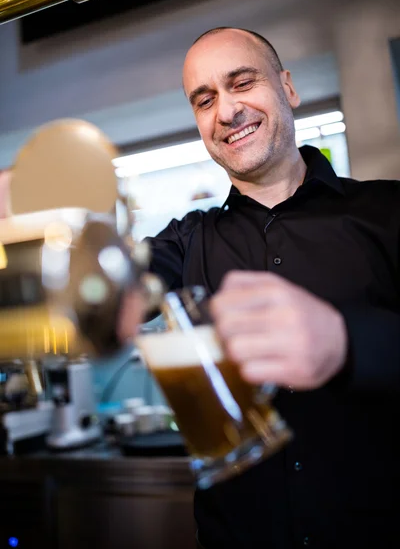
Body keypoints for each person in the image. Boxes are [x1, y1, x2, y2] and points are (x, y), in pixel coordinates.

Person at [140, 27, 400, 548]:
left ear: (288, 87)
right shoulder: (188, 240)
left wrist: (348, 341)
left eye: (242, 83)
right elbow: (121, 282)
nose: (227, 111)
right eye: (205, 100)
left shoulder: (388, 212)